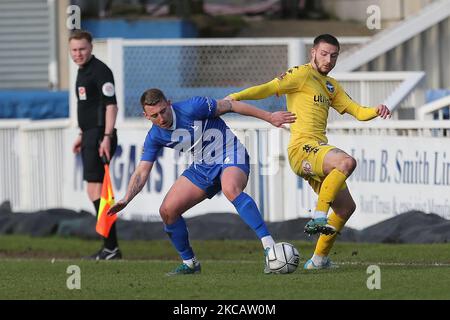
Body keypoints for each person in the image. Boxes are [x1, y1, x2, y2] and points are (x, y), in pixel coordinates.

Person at [227, 34, 391, 270]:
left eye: (333, 56)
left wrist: (376, 109)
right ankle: (318, 216)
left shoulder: (331, 85)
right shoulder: (301, 74)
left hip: (317, 150)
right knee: (346, 162)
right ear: (313, 52)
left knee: (346, 208)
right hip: (301, 149)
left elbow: (358, 111)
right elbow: (268, 88)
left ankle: (318, 260)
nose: (328, 60)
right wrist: (234, 98)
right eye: (324, 54)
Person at [106, 88, 296, 275]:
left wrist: (269, 117)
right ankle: (190, 264)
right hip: (203, 166)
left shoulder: (193, 107)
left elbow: (231, 105)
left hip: (230, 153)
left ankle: (270, 247)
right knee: (167, 211)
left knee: (230, 188)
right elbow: (141, 172)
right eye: (154, 115)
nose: (161, 118)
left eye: (163, 111)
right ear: (146, 116)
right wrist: (127, 198)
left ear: (169, 103)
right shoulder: (154, 136)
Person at [69, 30, 122, 260]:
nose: (78, 54)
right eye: (74, 50)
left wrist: (107, 136)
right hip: (91, 135)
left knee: (99, 191)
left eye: (82, 49)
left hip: (101, 136)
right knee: (95, 190)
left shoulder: (100, 70)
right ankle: (110, 247)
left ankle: (111, 247)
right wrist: (83, 134)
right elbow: (89, 106)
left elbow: (111, 105)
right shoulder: (82, 71)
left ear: (91, 47)